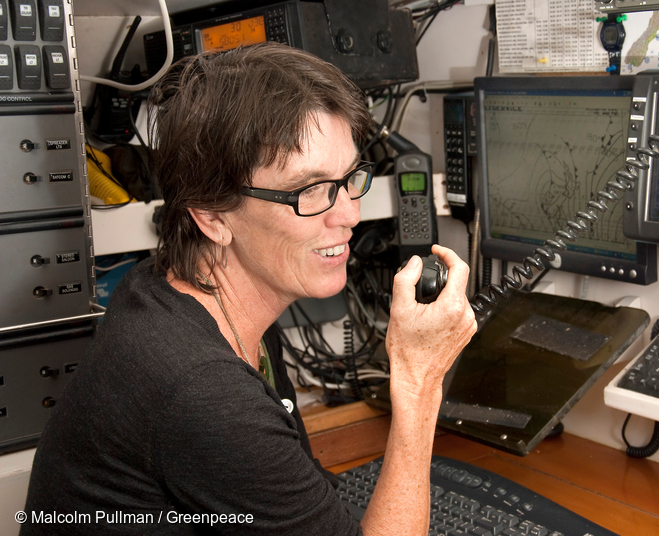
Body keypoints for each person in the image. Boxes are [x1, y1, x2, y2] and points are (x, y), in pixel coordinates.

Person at [21, 42, 477, 535]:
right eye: (309, 190)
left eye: (348, 180)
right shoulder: (202, 388)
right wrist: (418, 379)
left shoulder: (183, 295)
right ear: (212, 216)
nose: (349, 214)